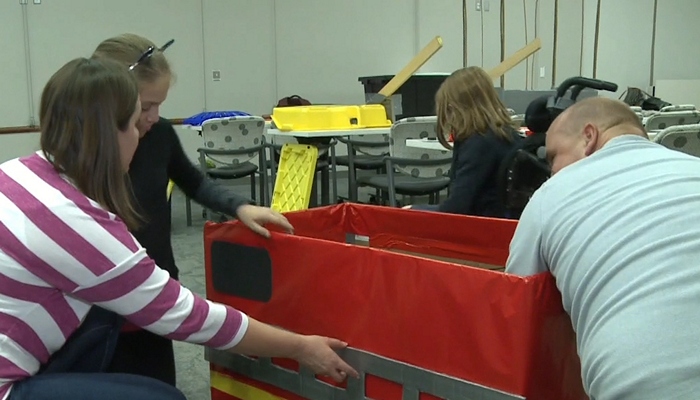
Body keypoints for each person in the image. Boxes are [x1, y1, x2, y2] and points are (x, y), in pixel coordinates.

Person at [0, 57, 357, 400]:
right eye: (136, 122)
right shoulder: (79, 227)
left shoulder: (15, 171)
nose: (142, 133)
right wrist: (300, 347)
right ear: (113, 133)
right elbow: (191, 317)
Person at [91, 34, 294, 385]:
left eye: (160, 105)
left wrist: (240, 206)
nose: (155, 116)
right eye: (146, 105)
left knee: (157, 386)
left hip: (155, 293)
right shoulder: (86, 155)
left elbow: (194, 181)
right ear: (113, 98)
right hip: (99, 308)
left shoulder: (160, 136)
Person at [505, 97, 700, 399]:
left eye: (554, 157)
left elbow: (516, 300)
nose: (552, 171)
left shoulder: (552, 193)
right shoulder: (693, 169)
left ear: (589, 137)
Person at [403, 66, 522, 217]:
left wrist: (414, 209)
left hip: (482, 226)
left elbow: (456, 208)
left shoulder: (478, 144)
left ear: (454, 109)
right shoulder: (507, 134)